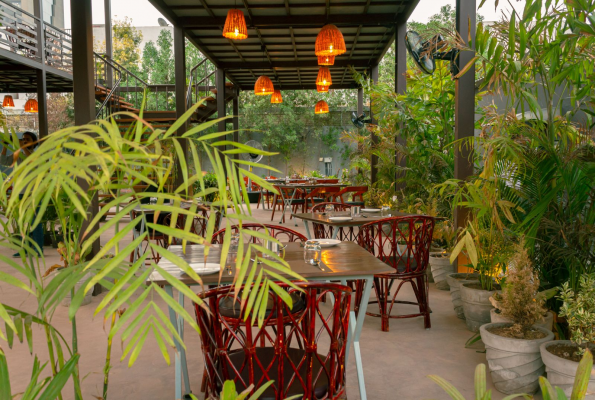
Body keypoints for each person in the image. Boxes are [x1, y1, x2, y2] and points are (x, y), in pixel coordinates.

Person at [1, 131, 44, 256]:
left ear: (34, 141)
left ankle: (38, 249)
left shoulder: (36, 154)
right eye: (23, 139)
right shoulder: (18, 154)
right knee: (23, 223)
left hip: (34, 193)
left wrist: (22, 148)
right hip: (20, 192)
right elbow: (4, 161)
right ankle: (24, 249)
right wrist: (5, 146)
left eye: (27, 139)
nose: (24, 141)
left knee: (35, 222)